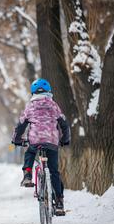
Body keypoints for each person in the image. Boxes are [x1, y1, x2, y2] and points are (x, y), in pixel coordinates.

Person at [11, 78, 70, 216]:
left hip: (35, 139)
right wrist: (64, 140)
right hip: (52, 140)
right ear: (49, 92)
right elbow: (64, 125)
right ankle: (60, 202)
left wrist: (16, 140)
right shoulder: (54, 105)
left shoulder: (30, 107)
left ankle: (27, 175)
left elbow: (20, 125)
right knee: (54, 171)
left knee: (30, 153)